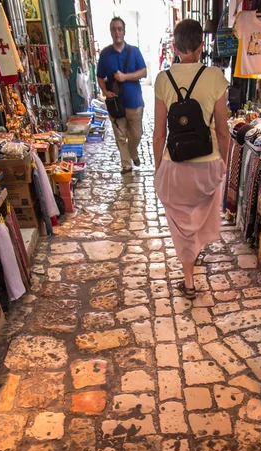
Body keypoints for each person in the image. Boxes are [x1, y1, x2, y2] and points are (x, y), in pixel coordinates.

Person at [153, 19, 230, 299]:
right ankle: (195, 253)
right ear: (201, 46)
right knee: (198, 215)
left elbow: (159, 134)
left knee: (180, 223)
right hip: (207, 164)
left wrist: (158, 168)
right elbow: (223, 131)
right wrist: (223, 162)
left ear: (174, 47)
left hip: (175, 165)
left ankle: (188, 280)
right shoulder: (215, 77)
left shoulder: (163, 79)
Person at [97, 17, 147, 174]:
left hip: (134, 101)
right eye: (114, 29)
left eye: (119, 29)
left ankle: (133, 152)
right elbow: (99, 76)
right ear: (111, 32)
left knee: (136, 134)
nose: (117, 32)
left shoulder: (134, 51)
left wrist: (125, 77)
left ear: (124, 31)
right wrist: (105, 92)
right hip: (115, 103)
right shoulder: (105, 54)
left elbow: (144, 72)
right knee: (120, 137)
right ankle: (126, 165)